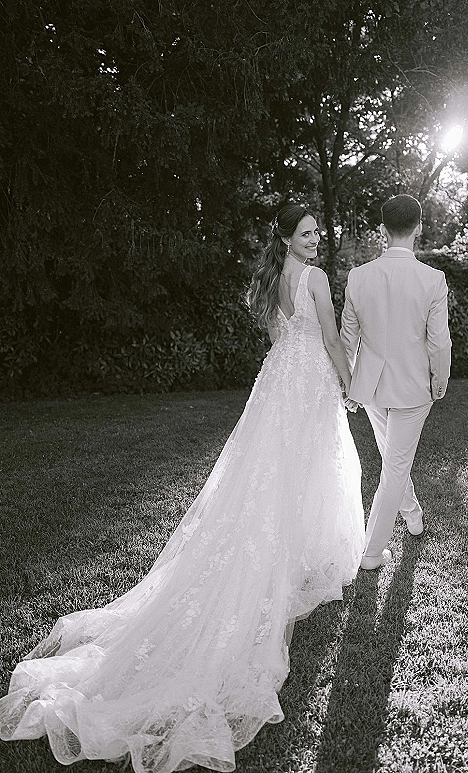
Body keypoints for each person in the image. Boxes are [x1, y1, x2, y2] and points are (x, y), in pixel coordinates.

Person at [0, 204, 365, 773]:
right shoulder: (315, 279)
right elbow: (331, 342)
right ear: (288, 238)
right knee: (305, 473)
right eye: (307, 233)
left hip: (279, 384)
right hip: (310, 384)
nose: (317, 240)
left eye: (318, 232)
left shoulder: (273, 280)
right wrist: (350, 385)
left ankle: (292, 557)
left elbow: (279, 338)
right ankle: (302, 561)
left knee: (282, 478)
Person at [340, 194, 452, 570]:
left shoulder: (358, 277)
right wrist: (441, 380)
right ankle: (372, 553)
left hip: (372, 388)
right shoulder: (433, 280)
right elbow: (439, 342)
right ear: (419, 227)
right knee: (394, 467)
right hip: (412, 388)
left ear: (382, 229)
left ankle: (414, 514)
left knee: (394, 459)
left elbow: (346, 340)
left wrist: (351, 384)